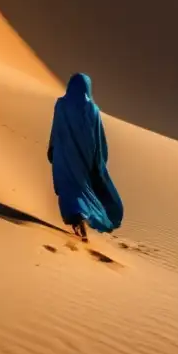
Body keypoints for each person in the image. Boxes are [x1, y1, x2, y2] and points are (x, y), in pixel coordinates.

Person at [47, 73, 124, 241]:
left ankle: (77, 218)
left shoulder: (61, 105)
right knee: (80, 188)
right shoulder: (93, 110)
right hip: (84, 159)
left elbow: (56, 129)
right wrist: (99, 160)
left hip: (63, 155)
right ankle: (79, 218)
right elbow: (99, 139)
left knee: (68, 187)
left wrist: (51, 148)